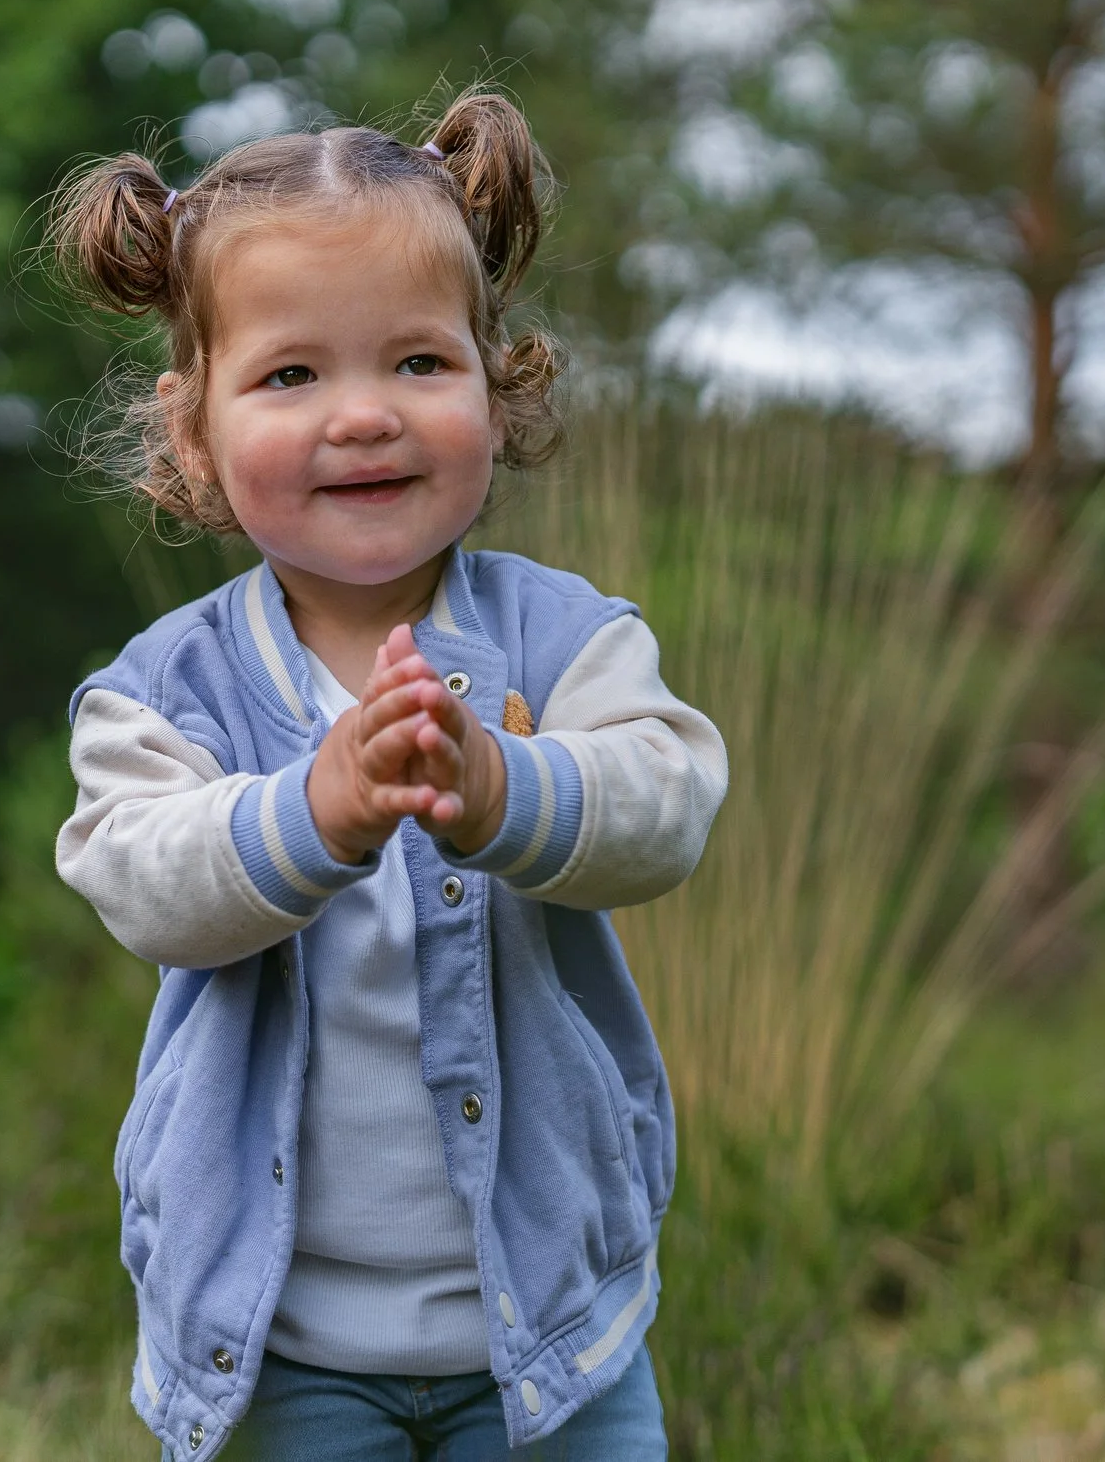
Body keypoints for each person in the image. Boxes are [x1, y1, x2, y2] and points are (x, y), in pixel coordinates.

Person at [49, 91, 726, 1459]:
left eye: (418, 362)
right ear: (192, 429)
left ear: (496, 376)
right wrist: (317, 811)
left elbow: (665, 804)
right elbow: (143, 882)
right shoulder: (163, 691)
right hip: (279, 1345)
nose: (363, 416)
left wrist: (501, 790)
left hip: (553, 1336)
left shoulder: (568, 636)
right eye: (292, 376)